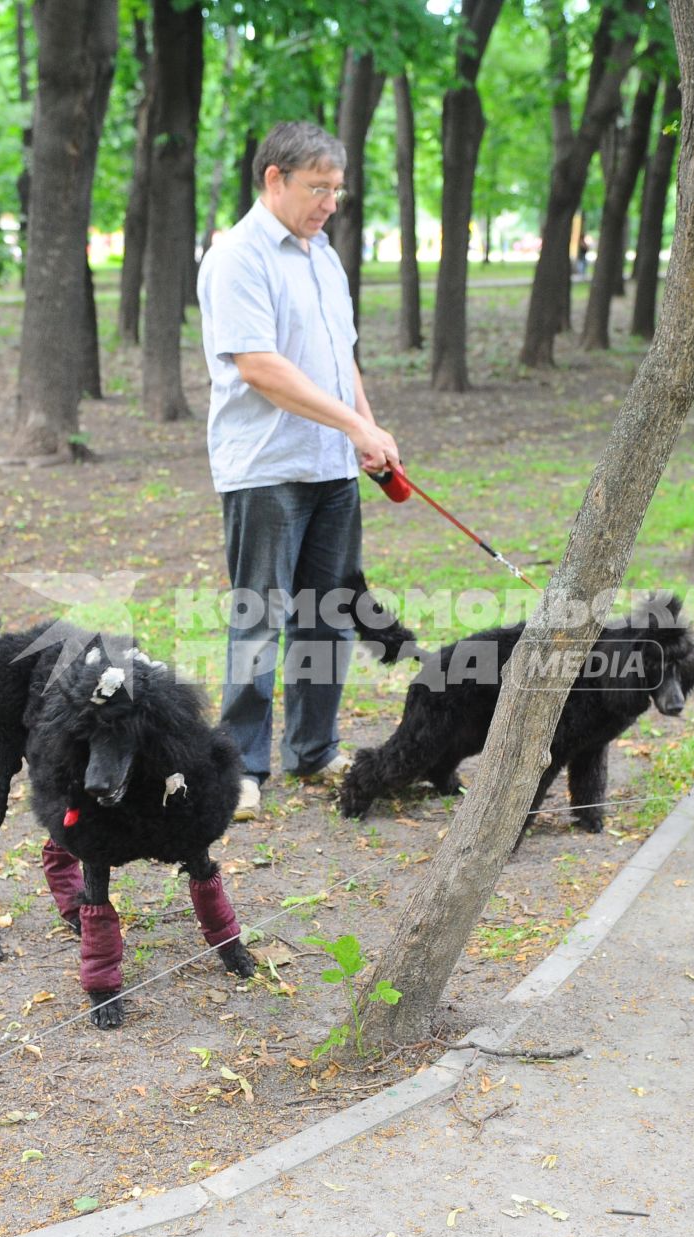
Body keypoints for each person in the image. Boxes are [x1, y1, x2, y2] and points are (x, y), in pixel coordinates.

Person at [195, 120, 401, 821]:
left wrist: (366, 428)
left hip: (332, 467)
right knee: (260, 618)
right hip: (266, 470)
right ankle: (242, 767)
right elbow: (259, 367)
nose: (330, 203)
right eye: (319, 188)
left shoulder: (322, 258)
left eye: (337, 191)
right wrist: (352, 424)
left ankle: (313, 748)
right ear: (273, 180)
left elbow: (339, 358)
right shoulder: (238, 259)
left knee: (329, 617)